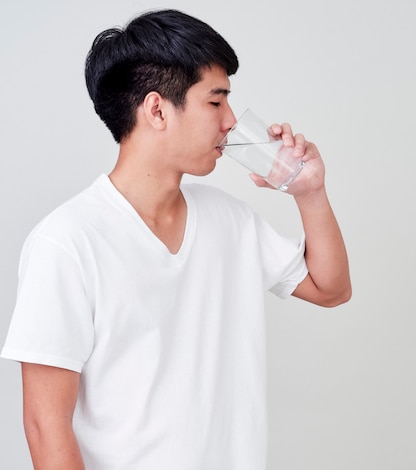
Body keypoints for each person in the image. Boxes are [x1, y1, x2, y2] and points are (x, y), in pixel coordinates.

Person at [1, 9, 351, 470]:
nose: (230, 121)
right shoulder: (67, 242)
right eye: (215, 102)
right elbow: (46, 427)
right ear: (157, 109)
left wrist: (309, 192)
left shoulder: (229, 220)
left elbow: (332, 289)